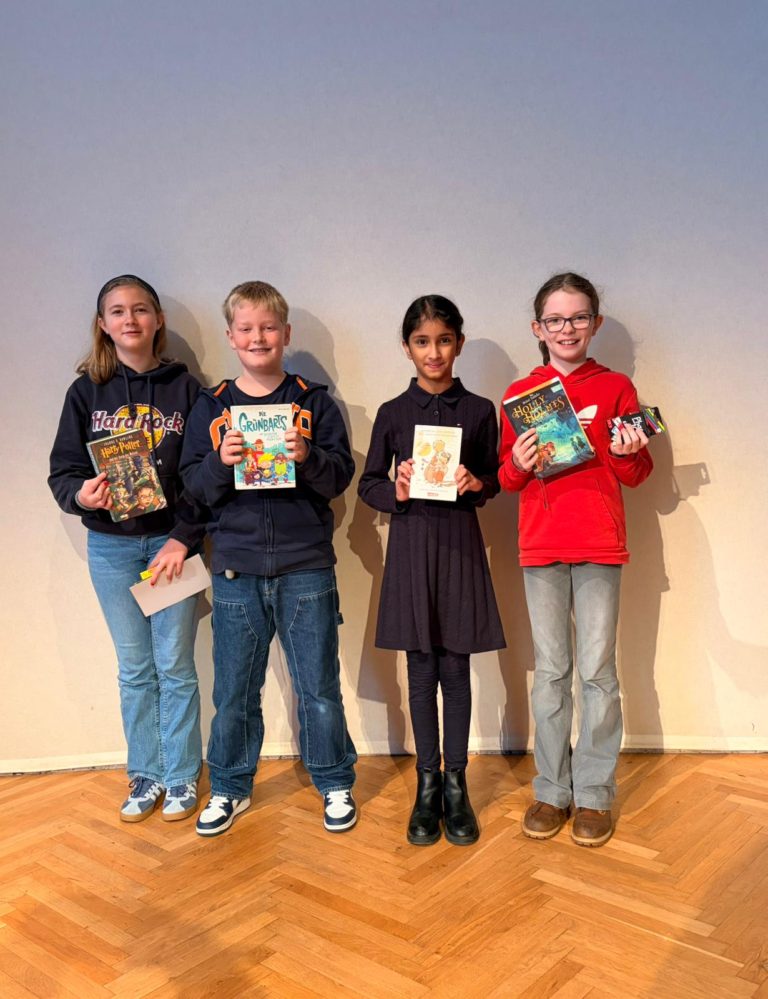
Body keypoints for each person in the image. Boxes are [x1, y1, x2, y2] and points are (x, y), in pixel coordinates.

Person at [180, 280, 357, 837]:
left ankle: (335, 781)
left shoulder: (313, 401)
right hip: (236, 570)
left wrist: (308, 457)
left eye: (269, 327)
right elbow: (192, 488)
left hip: (307, 567)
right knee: (234, 692)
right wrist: (219, 461)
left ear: (286, 333)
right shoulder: (211, 405)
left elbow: (340, 477)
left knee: (319, 688)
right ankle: (230, 787)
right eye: (247, 328)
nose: (258, 337)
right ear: (230, 336)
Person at [499, 272, 653, 847]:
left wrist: (627, 452)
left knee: (597, 674)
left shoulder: (616, 387)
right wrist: (518, 462)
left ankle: (593, 793)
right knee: (551, 673)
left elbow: (637, 474)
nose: (567, 329)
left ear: (596, 323)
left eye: (579, 317)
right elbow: (506, 479)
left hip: (599, 544)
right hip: (541, 546)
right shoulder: (521, 393)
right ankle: (550, 790)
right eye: (556, 320)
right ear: (538, 328)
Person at [49, 275, 205, 823]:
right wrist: (82, 495)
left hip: (170, 547)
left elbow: (202, 476)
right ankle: (146, 774)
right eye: (117, 311)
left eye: (140, 309)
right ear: (103, 324)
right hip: (112, 548)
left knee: (175, 665)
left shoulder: (187, 390)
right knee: (135, 667)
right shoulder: (85, 392)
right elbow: (62, 472)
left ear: (158, 320)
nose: (130, 319)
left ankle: (182, 774)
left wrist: (184, 537)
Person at [358, 295, 505, 846]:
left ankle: (456, 785)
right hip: (411, 547)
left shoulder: (480, 410)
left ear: (458, 343)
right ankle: (427, 785)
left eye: (444, 340)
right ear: (407, 348)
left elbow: (493, 479)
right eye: (422, 341)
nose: (434, 352)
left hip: (460, 547)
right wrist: (395, 491)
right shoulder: (393, 413)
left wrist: (477, 483)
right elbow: (369, 483)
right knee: (420, 671)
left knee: (457, 671)